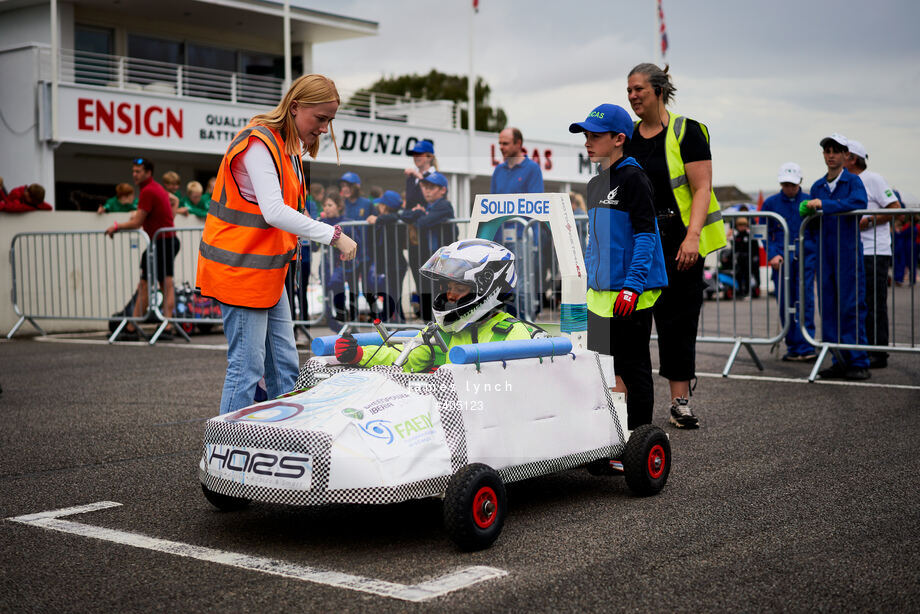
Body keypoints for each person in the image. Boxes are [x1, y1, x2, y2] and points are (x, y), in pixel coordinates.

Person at [196, 74, 357, 415]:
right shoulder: (259, 143)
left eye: (330, 120)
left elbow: (285, 213)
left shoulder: (287, 148)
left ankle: (288, 442)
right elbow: (273, 212)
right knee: (246, 370)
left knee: (284, 367)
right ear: (296, 107)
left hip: (265, 271)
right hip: (240, 271)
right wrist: (335, 237)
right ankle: (222, 450)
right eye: (321, 119)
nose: (325, 129)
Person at [624, 62, 726, 429]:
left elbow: (702, 188)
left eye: (639, 90)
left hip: (681, 239)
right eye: (629, 91)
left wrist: (693, 237)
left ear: (659, 91)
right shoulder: (628, 137)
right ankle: (625, 402)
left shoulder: (688, 131)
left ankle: (680, 402)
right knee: (632, 321)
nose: (633, 96)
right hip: (642, 242)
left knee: (678, 322)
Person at [568, 103, 668, 430]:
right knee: (605, 370)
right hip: (600, 296)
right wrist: (585, 286)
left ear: (618, 139)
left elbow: (646, 237)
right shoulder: (595, 184)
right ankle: (614, 437)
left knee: (633, 367)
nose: (587, 142)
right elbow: (592, 243)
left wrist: (632, 287)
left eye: (595, 136)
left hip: (630, 294)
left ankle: (640, 442)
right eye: (586, 135)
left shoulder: (634, 178)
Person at [334, 239, 533, 372]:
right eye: (448, 287)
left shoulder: (511, 333)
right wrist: (359, 354)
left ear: (489, 290)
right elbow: (407, 357)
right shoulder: (443, 331)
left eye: (459, 288)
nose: (450, 295)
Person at [803, 133, 869, 380]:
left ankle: (858, 360)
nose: (830, 155)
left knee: (851, 306)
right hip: (825, 253)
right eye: (827, 150)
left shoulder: (853, 181)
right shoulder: (818, 186)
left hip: (848, 253)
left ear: (846, 156)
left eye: (836, 150)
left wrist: (824, 205)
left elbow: (858, 202)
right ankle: (837, 358)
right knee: (828, 306)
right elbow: (811, 219)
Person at [105, 157, 180, 340]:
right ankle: (152, 326)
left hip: (162, 242)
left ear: (148, 173)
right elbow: (171, 203)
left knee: (158, 284)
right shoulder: (154, 188)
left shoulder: (148, 191)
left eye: (138, 171)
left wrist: (116, 226)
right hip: (162, 241)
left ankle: (155, 327)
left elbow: (137, 222)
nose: (134, 174)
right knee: (155, 284)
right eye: (133, 171)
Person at [844, 139, 900, 369]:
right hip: (854, 250)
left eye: (842, 153)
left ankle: (878, 350)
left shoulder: (873, 179)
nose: (836, 156)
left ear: (853, 158)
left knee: (874, 301)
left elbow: (895, 208)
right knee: (858, 302)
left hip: (874, 250)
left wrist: (869, 221)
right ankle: (862, 346)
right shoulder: (847, 182)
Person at [761, 162, 817, 361]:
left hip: (806, 257)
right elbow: (763, 233)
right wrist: (772, 254)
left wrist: (815, 254)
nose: (789, 188)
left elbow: (817, 230)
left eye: (792, 184)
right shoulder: (771, 203)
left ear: (800, 182)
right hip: (782, 259)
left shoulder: (810, 201)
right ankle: (793, 345)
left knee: (805, 300)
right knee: (785, 301)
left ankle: (807, 344)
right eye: (785, 184)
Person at [491, 127, 547, 317]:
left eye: (505, 143)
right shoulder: (498, 170)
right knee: (502, 284)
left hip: (523, 237)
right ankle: (509, 323)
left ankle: (526, 323)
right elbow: (492, 203)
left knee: (522, 284)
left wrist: (533, 239)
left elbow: (534, 204)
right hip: (501, 239)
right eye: (499, 143)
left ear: (518, 144)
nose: (501, 147)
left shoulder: (532, 169)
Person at [399, 171, 457, 322]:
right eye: (425, 187)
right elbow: (404, 216)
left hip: (445, 260)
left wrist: (418, 214)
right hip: (432, 258)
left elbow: (422, 223)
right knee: (429, 293)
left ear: (443, 190)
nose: (426, 190)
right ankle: (431, 325)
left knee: (443, 295)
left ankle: (443, 326)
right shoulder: (427, 206)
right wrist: (419, 212)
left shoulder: (444, 205)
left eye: (431, 187)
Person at [366, 189, 408, 322]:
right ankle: (396, 323)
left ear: (385, 206)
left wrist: (378, 219)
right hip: (388, 264)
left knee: (393, 296)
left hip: (395, 265)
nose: (378, 207)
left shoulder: (394, 220)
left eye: (381, 205)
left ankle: (397, 323)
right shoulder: (385, 221)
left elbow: (395, 216)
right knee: (390, 295)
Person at [731, 217, 760, 297]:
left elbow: (755, 247)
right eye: (739, 225)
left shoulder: (749, 235)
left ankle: (749, 291)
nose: (741, 227)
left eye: (743, 225)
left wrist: (754, 257)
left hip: (748, 259)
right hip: (740, 259)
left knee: (748, 276)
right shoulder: (737, 237)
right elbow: (735, 248)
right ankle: (740, 291)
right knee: (739, 275)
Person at [405, 139, 438, 210]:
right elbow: (408, 205)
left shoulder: (437, 177)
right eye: (414, 154)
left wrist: (419, 177)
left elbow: (436, 204)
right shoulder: (411, 178)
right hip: (412, 219)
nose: (416, 157)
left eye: (419, 154)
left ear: (429, 157)